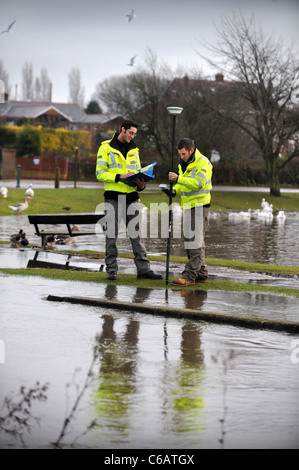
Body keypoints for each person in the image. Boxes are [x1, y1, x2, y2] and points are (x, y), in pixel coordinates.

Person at [96, 120, 162, 281]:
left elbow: (136, 172)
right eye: (131, 133)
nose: (133, 136)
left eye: (135, 134)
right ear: (122, 130)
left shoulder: (134, 150)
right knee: (111, 236)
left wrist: (141, 185)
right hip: (113, 197)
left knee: (137, 236)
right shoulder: (105, 148)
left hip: (132, 197)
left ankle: (144, 270)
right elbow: (100, 173)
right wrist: (119, 176)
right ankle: (111, 270)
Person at [168, 138, 213, 286]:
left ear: (191, 150)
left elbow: (198, 183)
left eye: (184, 154)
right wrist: (173, 191)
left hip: (200, 206)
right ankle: (201, 273)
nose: (182, 157)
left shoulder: (203, 162)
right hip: (188, 206)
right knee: (192, 241)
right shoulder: (184, 163)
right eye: (180, 154)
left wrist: (179, 179)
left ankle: (189, 276)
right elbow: (183, 185)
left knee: (194, 242)